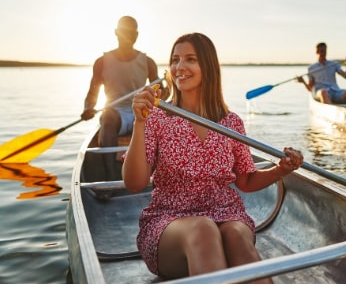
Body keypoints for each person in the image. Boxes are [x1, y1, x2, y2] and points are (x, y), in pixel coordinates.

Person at [124, 33, 304, 283]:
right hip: (169, 224)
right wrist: (139, 122)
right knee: (203, 228)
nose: (180, 67)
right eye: (175, 60)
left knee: (237, 234)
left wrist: (280, 171)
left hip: (226, 215)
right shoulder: (156, 118)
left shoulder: (231, 123)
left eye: (190, 59)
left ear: (207, 66)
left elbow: (246, 181)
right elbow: (134, 183)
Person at [81, 16, 161, 148]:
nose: (128, 36)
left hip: (141, 111)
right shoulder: (102, 62)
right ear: (116, 32)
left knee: (158, 120)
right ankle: (110, 169)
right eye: (124, 31)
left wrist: (159, 95)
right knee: (107, 117)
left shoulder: (148, 62)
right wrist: (88, 108)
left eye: (131, 32)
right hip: (115, 114)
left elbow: (161, 93)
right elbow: (92, 93)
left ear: (136, 35)